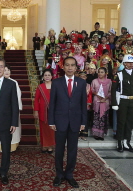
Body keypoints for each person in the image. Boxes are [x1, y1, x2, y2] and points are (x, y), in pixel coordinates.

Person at [48, 57, 87, 188]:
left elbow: (83, 104)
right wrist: (51, 120)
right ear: (63, 67)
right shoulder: (56, 82)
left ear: (76, 68)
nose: (70, 68)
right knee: (59, 150)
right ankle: (59, 175)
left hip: (75, 121)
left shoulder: (81, 83)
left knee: (72, 150)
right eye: (67, 65)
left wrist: (83, 121)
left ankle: (69, 175)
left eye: (72, 65)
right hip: (60, 121)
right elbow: (52, 103)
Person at [111, 54, 133, 153]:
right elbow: (113, 90)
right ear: (124, 63)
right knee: (121, 122)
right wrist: (114, 103)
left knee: (130, 123)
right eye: (128, 62)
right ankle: (119, 142)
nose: (130, 64)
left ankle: (127, 142)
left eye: (132, 62)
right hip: (122, 101)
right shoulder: (119, 74)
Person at [0, 65, 22, 152]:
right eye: (5, 70)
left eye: (8, 70)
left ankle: (12, 146)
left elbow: (18, 97)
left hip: (12, 110)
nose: (7, 72)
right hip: (1, 111)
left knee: (13, 129)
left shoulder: (14, 82)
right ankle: (0, 146)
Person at [34, 69, 55, 153]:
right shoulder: (40, 87)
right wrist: (36, 111)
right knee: (43, 129)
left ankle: (50, 146)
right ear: (43, 77)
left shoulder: (55, 86)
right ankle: (44, 145)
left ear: (52, 77)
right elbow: (36, 100)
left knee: (52, 129)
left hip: (53, 111)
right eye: (45, 75)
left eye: (49, 75)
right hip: (42, 111)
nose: (47, 77)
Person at [91, 67, 112, 140]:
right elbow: (92, 90)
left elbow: (110, 91)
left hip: (105, 101)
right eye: (99, 72)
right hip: (97, 101)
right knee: (97, 118)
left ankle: (101, 134)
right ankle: (96, 134)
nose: (100, 73)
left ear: (105, 73)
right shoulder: (94, 81)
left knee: (103, 118)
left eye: (102, 72)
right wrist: (98, 95)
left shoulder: (109, 81)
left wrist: (105, 98)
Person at [78, 71, 92, 141]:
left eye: (84, 77)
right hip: (77, 105)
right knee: (77, 119)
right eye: (81, 77)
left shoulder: (88, 85)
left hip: (86, 105)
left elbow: (90, 95)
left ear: (86, 78)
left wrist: (88, 103)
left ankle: (84, 134)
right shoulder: (76, 84)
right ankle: (78, 134)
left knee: (85, 120)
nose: (82, 78)